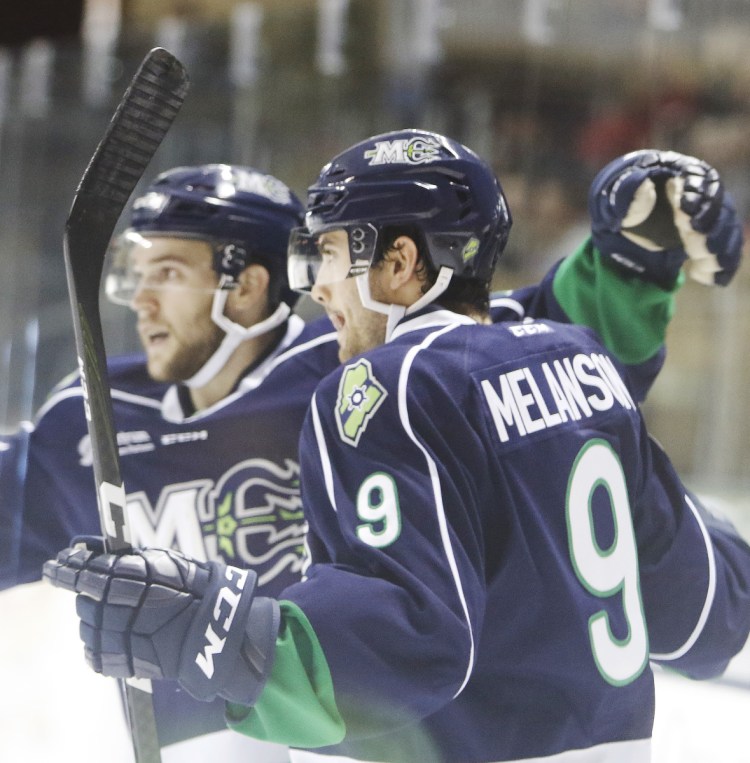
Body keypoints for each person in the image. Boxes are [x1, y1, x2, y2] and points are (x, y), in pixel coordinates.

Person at [44, 130, 750, 763]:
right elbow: (705, 615)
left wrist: (221, 632)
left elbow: (415, 639)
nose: (317, 288)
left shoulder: (390, 384)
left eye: (327, 252)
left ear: (400, 263)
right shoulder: (583, 362)